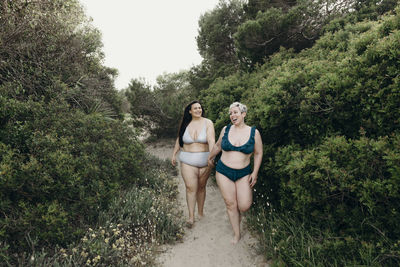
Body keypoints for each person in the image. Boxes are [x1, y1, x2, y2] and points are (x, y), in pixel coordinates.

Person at [207, 102, 263, 244]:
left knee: (244, 205)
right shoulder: (226, 129)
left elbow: (258, 153)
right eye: (231, 113)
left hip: (243, 173)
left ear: (243, 114)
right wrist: (210, 156)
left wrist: (255, 173)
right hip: (223, 171)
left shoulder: (254, 133)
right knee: (231, 204)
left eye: (235, 112)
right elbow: (219, 145)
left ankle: (238, 217)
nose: (233, 115)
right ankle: (237, 234)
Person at [171, 100, 215, 227]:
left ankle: (200, 213)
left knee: (201, 187)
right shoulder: (185, 124)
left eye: (200, 108)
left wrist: (212, 156)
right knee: (191, 188)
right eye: (195, 108)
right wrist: (174, 153)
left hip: (205, 159)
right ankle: (191, 217)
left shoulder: (208, 123)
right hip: (187, 160)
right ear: (190, 111)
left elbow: (211, 140)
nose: (198, 110)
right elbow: (179, 139)